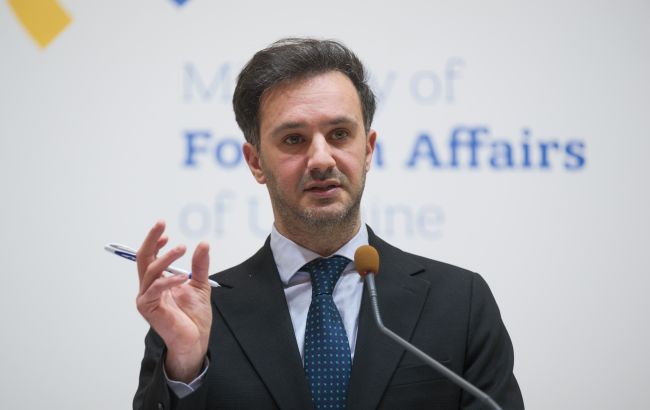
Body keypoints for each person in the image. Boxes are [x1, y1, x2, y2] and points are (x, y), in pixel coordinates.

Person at [133, 38, 524, 410]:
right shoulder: (199, 313)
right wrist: (185, 366)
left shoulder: (459, 302)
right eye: (293, 139)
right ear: (255, 162)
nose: (321, 159)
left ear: (367, 149)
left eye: (339, 134)